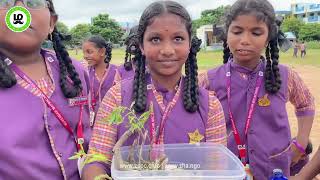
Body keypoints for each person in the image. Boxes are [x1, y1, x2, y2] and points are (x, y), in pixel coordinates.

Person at [82, 1, 227, 179]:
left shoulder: (210, 105)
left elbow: (218, 170)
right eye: (155, 39)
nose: (167, 50)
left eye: (178, 39)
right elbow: (96, 160)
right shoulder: (117, 97)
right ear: (141, 45)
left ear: (190, 44)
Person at [198, 0, 315, 179]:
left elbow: (305, 103)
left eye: (256, 32)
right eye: (237, 32)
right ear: (227, 34)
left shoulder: (285, 75)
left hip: (275, 168)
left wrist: (301, 142)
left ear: (268, 37)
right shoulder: (209, 79)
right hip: (227, 170)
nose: (244, 40)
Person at [0, 0, 92, 179]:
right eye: (6, 2)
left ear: (52, 22)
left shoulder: (75, 72)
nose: (19, 12)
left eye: (32, 3)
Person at [82, 35, 120, 124]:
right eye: (84, 53)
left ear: (102, 51)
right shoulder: (85, 72)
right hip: (89, 122)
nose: (85, 56)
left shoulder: (117, 73)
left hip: (111, 122)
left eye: (89, 52)